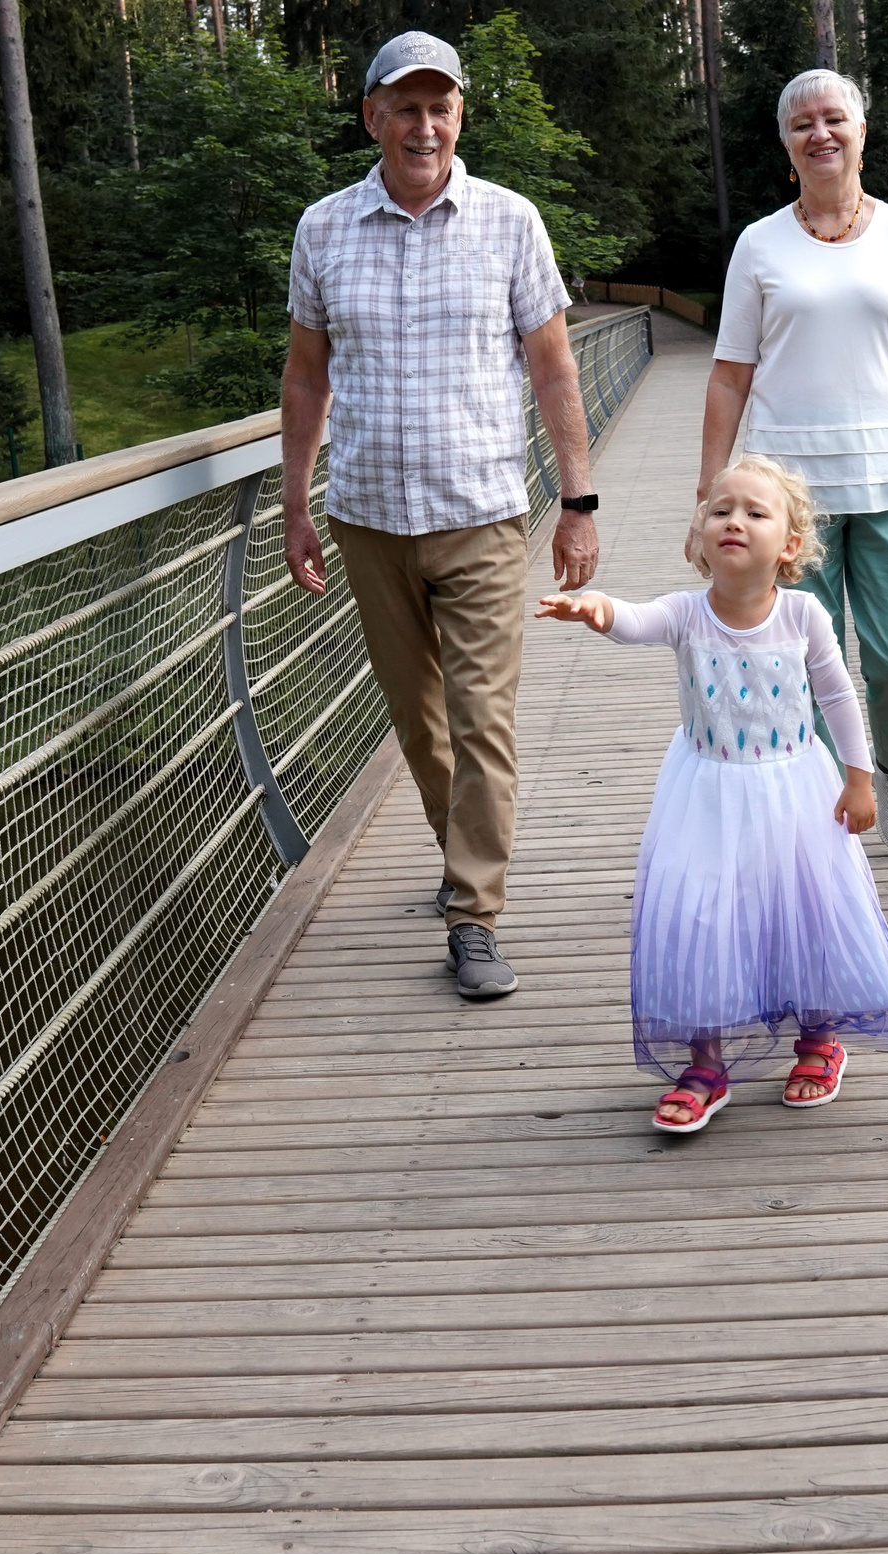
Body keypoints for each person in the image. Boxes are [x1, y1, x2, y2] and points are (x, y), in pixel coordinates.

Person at [279, 29, 601, 1000]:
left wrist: (578, 502)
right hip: (369, 518)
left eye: (441, 106)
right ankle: (456, 852)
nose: (425, 125)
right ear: (372, 116)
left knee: (483, 719)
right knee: (420, 726)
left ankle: (473, 915)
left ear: (460, 115)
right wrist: (296, 502)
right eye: (405, 107)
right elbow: (305, 377)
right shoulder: (323, 229)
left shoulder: (510, 222)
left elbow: (554, 368)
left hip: (483, 511)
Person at [537, 455, 888, 1134]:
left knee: (805, 905)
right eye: (721, 510)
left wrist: (860, 777)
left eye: (755, 512)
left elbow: (836, 694)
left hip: (793, 788)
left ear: (791, 545)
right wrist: (599, 609)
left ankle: (819, 1037)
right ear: (697, 538)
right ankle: (705, 1063)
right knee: (701, 916)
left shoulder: (804, 615)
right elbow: (637, 619)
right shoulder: (688, 614)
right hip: (707, 792)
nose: (734, 521)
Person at [699, 67, 888, 855]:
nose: (820, 134)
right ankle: (823, 789)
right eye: (802, 124)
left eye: (834, 119)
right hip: (788, 493)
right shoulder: (759, 243)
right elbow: (731, 372)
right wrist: (710, 496)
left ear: (861, 132)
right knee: (804, 656)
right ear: (786, 144)